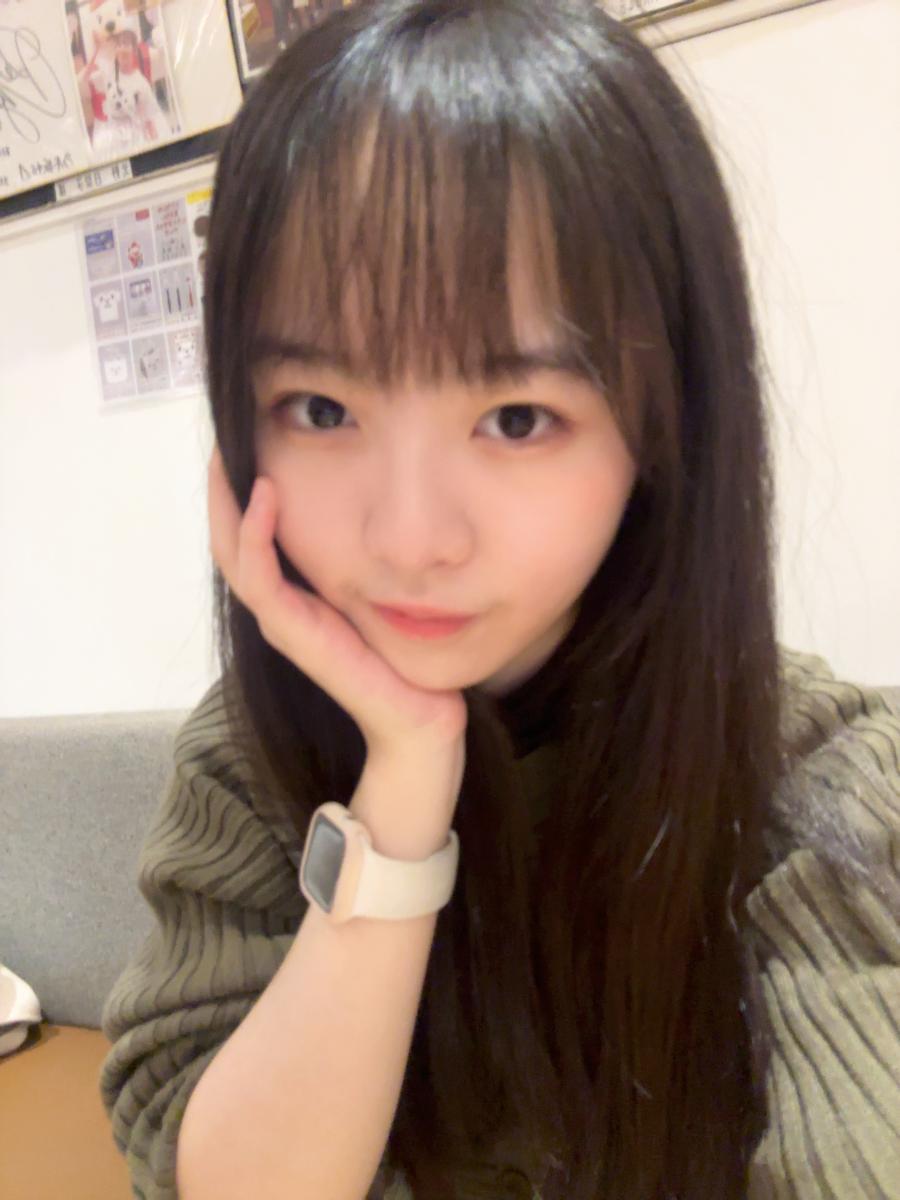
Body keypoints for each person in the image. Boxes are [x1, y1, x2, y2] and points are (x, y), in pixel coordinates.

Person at [98, 3, 900, 1198]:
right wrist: (406, 774)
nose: (411, 540)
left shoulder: (822, 778)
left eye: (517, 418)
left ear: (664, 433)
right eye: (322, 409)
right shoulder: (246, 770)